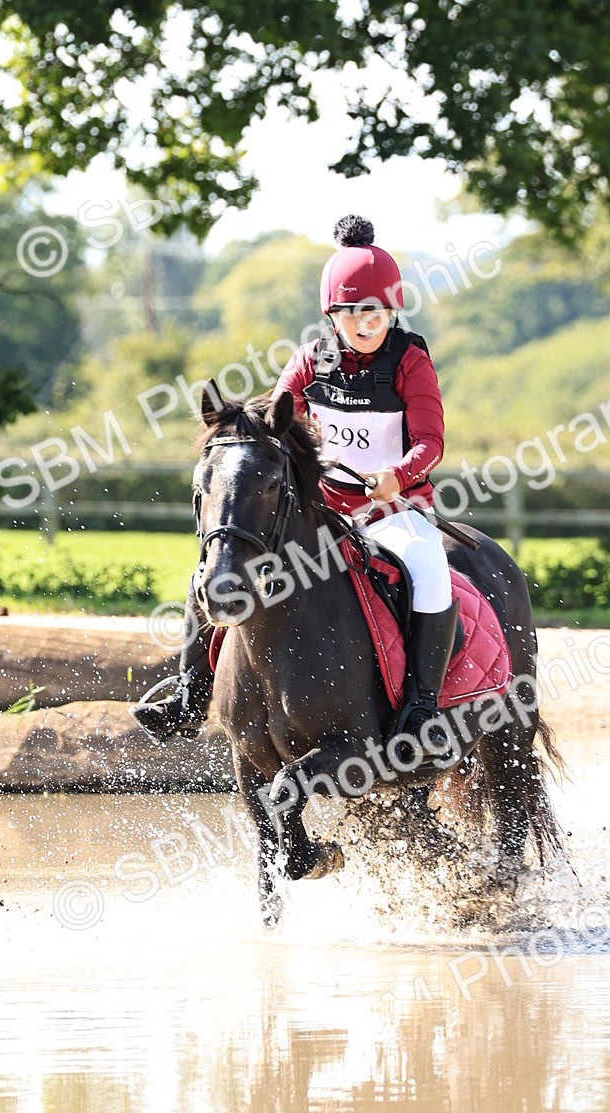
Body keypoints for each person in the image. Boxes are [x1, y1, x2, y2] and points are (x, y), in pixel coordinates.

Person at [130, 215, 459, 753]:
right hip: (321, 510)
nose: (364, 322)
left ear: (391, 310)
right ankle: (191, 692)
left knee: (430, 570)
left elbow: (431, 442)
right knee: (216, 568)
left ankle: (422, 708)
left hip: (394, 510)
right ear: (333, 314)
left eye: (374, 311)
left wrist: (395, 476)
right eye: (351, 312)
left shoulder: (410, 362)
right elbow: (272, 416)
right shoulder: (311, 360)